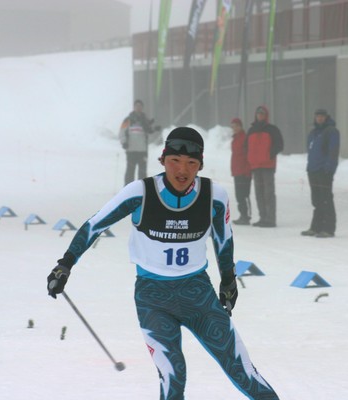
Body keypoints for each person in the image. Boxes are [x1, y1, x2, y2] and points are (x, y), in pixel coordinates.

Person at [47, 126, 280, 400]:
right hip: (153, 298)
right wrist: (65, 264)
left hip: (198, 296)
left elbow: (223, 241)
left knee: (243, 372)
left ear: (200, 165)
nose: (182, 171)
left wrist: (228, 281)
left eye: (191, 164)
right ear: (163, 161)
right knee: (174, 376)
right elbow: (94, 225)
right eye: (175, 162)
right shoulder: (141, 192)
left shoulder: (214, 196)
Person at [301, 109, 340, 238]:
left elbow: (333, 151)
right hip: (313, 170)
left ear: (326, 117)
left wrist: (329, 168)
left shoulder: (331, 131)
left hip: (324, 171)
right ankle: (316, 226)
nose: (319, 119)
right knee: (316, 200)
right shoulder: (313, 133)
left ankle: (328, 228)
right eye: (317, 116)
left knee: (326, 199)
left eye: (322, 116)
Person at [246, 105, 283, 228]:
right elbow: (246, 147)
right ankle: (262, 217)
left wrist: (269, 155)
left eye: (262, 113)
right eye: (258, 113)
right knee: (259, 193)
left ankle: (270, 219)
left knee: (268, 193)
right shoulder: (251, 130)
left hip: (267, 166)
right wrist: (250, 158)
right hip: (255, 166)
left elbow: (279, 144)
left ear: (266, 115)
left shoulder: (272, 129)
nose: (260, 115)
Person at [119, 99, 161, 185]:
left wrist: (155, 128)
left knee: (142, 172)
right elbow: (122, 131)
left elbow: (149, 130)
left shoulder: (145, 120)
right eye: (137, 106)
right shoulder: (128, 120)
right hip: (131, 150)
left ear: (142, 108)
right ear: (134, 107)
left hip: (142, 151)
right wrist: (124, 142)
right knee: (130, 171)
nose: (138, 108)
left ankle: (142, 189)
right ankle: (128, 189)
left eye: (140, 106)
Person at [230, 117, 252, 225]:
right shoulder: (235, 138)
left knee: (244, 194)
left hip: (244, 171)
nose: (234, 128)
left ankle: (246, 216)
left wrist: (248, 170)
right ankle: (243, 215)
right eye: (233, 126)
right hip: (237, 171)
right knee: (238, 195)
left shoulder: (245, 138)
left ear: (240, 126)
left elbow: (248, 155)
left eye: (236, 126)